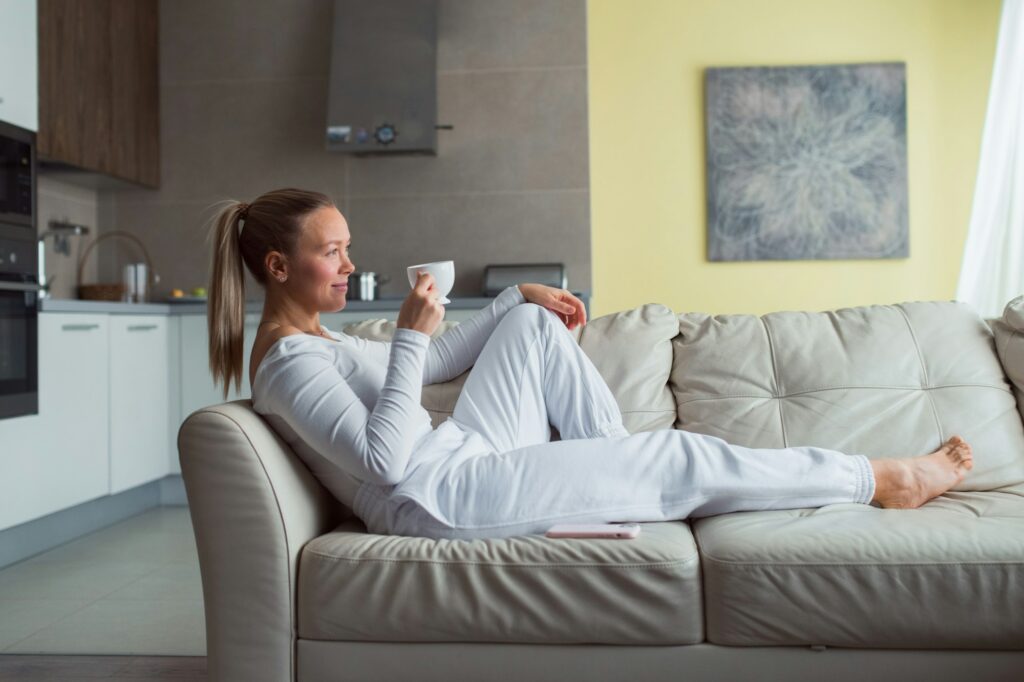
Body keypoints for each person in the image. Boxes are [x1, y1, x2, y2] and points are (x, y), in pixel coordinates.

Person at [206, 187, 975, 541]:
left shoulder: (322, 343)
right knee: (682, 454)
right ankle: (879, 480)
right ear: (278, 266)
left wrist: (515, 299)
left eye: (346, 248)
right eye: (332, 252)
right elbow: (386, 456)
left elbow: (439, 359)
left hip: (464, 455)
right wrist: (406, 337)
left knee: (536, 330)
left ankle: (617, 474)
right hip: (444, 499)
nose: (349, 265)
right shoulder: (285, 367)